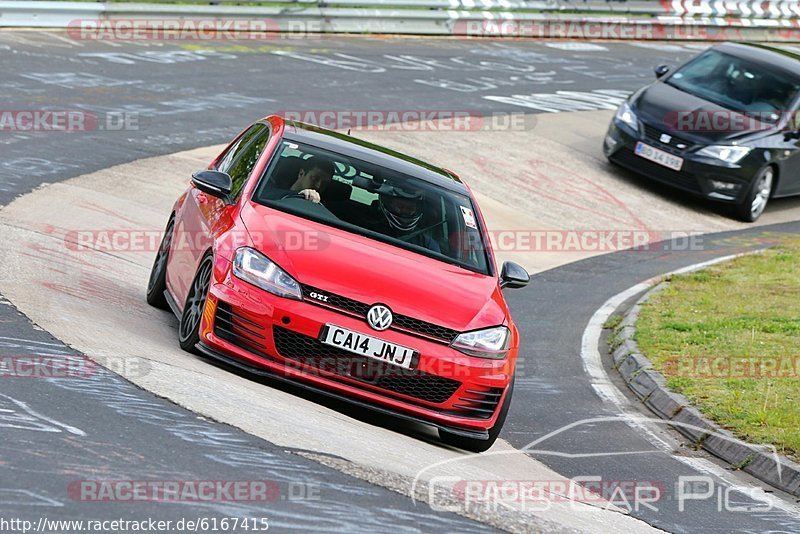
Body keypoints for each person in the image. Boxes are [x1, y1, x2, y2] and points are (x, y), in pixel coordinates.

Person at [373, 184, 441, 253]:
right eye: (400, 206)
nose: (404, 211)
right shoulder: (369, 229)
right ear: (390, 204)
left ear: (417, 210)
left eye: (410, 209)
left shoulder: (427, 244)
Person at [263, 156, 335, 203]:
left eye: (325, 183)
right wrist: (298, 194)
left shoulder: (323, 207)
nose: (319, 185)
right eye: (314, 178)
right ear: (301, 173)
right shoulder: (267, 186)